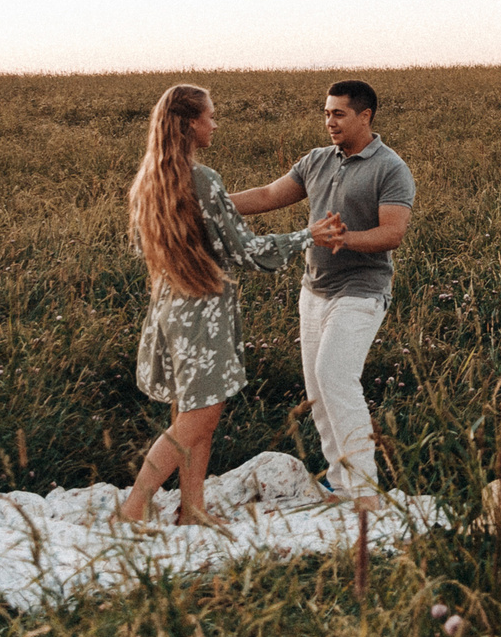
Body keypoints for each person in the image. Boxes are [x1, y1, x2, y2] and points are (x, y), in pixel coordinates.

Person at [116, 83, 339, 527]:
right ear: (189, 124)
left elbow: (155, 248)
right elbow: (247, 252)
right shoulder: (202, 179)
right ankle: (132, 509)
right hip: (201, 313)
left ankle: (192, 509)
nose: (214, 124)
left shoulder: (151, 180)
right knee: (198, 420)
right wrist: (307, 237)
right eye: (209, 117)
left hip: (170, 306)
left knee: (192, 413)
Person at [232, 79, 414, 501]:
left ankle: (365, 488)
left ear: (365, 116)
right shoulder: (315, 161)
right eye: (326, 113)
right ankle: (340, 479)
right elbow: (267, 195)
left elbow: (393, 233)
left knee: (336, 376)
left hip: (361, 290)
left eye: (339, 114)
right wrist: (206, 200)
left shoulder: (390, 168)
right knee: (317, 391)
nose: (329, 122)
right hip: (314, 291)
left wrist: (342, 239)